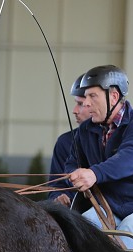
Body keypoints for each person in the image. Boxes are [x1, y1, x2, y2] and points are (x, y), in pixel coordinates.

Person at [60, 64, 133, 250]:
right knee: (79, 229)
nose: (86, 103)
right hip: (108, 207)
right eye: (85, 97)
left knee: (128, 231)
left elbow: (128, 160)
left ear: (114, 97)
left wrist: (94, 174)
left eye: (92, 96)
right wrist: (75, 175)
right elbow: (73, 163)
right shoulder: (85, 130)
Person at [48, 74, 92, 209]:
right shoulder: (65, 142)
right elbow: (55, 185)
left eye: (80, 104)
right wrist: (57, 196)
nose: (74, 111)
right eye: (75, 103)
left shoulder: (116, 138)